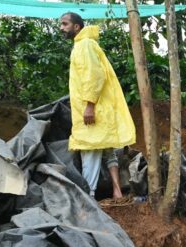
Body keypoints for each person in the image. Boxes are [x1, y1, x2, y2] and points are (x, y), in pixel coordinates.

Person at [59, 12, 135, 199]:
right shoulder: (86, 44)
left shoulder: (84, 45)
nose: (61, 28)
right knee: (108, 149)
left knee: (89, 152)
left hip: (93, 110)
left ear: (77, 27)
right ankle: (117, 192)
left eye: (65, 24)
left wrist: (89, 106)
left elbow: (94, 76)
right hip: (100, 109)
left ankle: (89, 198)